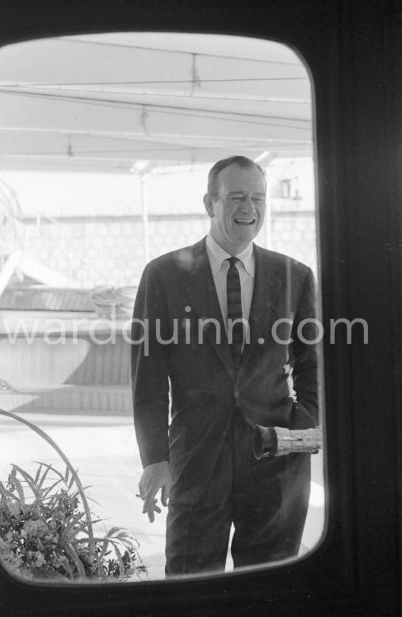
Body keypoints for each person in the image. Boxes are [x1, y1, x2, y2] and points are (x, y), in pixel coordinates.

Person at [131, 156, 319, 575]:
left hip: (276, 467)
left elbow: (313, 365)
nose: (248, 208)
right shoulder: (162, 275)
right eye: (236, 197)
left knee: (270, 596)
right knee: (189, 593)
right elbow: (147, 380)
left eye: (258, 197)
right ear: (209, 203)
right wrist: (155, 459)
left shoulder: (295, 276)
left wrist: (303, 427)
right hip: (196, 463)